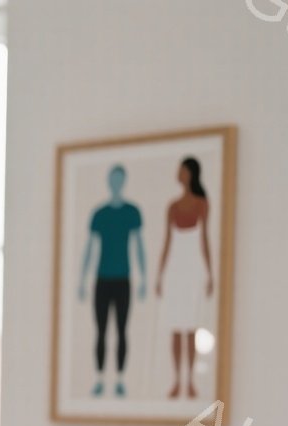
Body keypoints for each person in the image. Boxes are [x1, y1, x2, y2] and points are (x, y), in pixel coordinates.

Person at [76, 164, 147, 398]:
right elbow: (89, 248)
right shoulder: (100, 214)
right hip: (101, 279)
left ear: (123, 181)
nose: (116, 183)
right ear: (109, 181)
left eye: (119, 179)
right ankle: (98, 377)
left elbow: (139, 247)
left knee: (122, 330)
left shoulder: (131, 212)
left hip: (123, 279)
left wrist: (144, 277)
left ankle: (119, 379)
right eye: (112, 179)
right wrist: (82, 279)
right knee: (101, 330)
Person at [153, 157, 213, 399]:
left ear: (190, 174)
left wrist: (209, 273)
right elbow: (167, 242)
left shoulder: (201, 204)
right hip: (176, 269)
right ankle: (177, 380)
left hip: (193, 269)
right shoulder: (172, 206)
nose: (179, 174)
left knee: (191, 327)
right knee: (176, 327)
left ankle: (191, 381)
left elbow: (204, 238)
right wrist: (160, 274)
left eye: (182, 171)